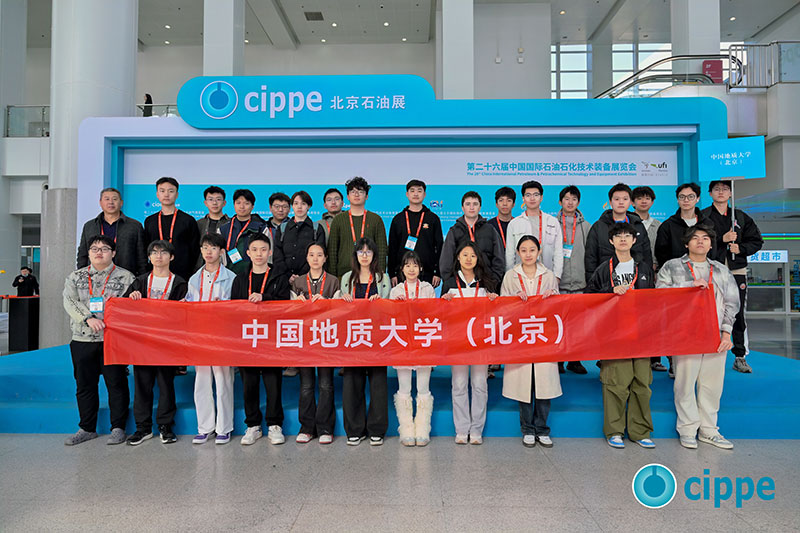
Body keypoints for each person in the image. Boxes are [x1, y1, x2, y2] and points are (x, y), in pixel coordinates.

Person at [656, 224, 739, 450]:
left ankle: (709, 431)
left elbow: (732, 303)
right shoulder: (672, 266)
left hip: (715, 336)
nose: (700, 241)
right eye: (695, 238)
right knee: (684, 383)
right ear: (686, 243)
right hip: (685, 335)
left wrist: (726, 333)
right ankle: (687, 429)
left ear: (711, 244)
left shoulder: (721, 270)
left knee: (712, 385)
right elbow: (660, 294)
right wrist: (688, 286)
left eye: (705, 238)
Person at [586, 223, 655, 450]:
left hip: (641, 335)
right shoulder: (603, 269)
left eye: (627, 236)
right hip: (614, 335)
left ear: (634, 241)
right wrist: (610, 291)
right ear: (611, 241)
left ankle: (640, 431)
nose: (623, 239)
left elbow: (655, 300)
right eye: (618, 236)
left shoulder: (644, 268)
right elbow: (589, 298)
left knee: (642, 383)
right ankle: (614, 431)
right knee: (615, 383)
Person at [62, 235, 135, 446]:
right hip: (82, 338)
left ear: (113, 253)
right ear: (88, 253)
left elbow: (130, 308)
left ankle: (118, 428)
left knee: (116, 383)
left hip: (113, 339)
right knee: (84, 385)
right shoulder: (75, 277)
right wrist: (88, 318)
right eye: (94, 249)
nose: (99, 252)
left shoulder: (126, 277)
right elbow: (69, 301)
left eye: (104, 248)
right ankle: (87, 428)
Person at [123, 240, 188, 446]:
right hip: (143, 342)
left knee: (166, 384)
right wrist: (131, 298)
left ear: (172, 257)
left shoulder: (180, 283)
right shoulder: (140, 282)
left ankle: (165, 426)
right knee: (142, 385)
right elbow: (124, 308)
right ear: (149, 257)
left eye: (163, 252)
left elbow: (186, 315)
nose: (159, 256)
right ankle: (142, 428)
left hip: (167, 342)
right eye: (154, 253)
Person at [500, 235, 561, 448]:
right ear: (518, 253)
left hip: (543, 336)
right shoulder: (511, 276)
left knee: (544, 384)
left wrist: (553, 296)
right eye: (524, 250)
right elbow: (502, 307)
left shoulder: (549, 275)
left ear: (539, 252)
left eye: (532, 250)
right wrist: (514, 299)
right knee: (524, 385)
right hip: (521, 336)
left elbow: (559, 308)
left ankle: (542, 429)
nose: (528, 254)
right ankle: (527, 428)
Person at [231, 233, 291, 446]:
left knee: (273, 383)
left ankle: (275, 424)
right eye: (255, 250)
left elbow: (285, 306)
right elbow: (233, 309)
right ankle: (253, 425)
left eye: (263, 250)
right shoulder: (240, 279)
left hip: (271, 338)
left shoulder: (279, 277)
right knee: (249, 384)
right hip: (247, 339)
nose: (259, 254)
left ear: (270, 252)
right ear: (247, 253)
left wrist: (265, 299)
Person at [701, 180, 764, 374]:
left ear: (730, 193)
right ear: (710, 193)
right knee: (709, 311)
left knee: (737, 312)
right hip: (711, 269)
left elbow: (757, 241)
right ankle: (707, 353)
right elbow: (697, 241)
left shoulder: (741, 217)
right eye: (717, 189)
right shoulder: (703, 216)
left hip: (736, 270)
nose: (721, 192)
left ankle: (740, 355)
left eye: (725, 189)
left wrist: (740, 248)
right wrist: (722, 240)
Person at [441, 241, 499, 445]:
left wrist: (494, 300)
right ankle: (461, 429)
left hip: (480, 342)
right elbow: (442, 315)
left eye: (473, 256)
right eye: (465, 255)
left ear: (477, 259)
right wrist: (444, 302)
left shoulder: (486, 282)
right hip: (458, 341)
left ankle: (476, 430)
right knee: (458, 384)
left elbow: (494, 314)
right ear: (457, 257)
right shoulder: (449, 283)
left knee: (480, 384)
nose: (468, 259)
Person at [338, 237, 392, 446]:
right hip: (353, 336)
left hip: (377, 337)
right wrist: (342, 299)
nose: (364, 256)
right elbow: (338, 308)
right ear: (355, 255)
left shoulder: (383, 278)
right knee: (352, 382)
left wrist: (382, 302)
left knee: (378, 384)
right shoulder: (346, 278)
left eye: (369, 252)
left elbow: (390, 307)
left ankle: (377, 429)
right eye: (361, 252)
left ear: (375, 255)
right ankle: (355, 429)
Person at [186, 233, 236, 445]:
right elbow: (188, 306)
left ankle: (224, 427)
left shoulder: (231, 277)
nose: (209, 252)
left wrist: (223, 306)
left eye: (213, 248)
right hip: (200, 335)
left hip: (222, 336)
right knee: (202, 381)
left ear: (221, 252)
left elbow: (237, 309)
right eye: (205, 247)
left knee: (223, 380)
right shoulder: (194, 279)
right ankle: (205, 427)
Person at [653, 183, 707, 376]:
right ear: (677, 199)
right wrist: (673, 273)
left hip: (702, 279)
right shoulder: (668, 225)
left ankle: (698, 361)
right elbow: (661, 252)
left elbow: (714, 250)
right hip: (676, 281)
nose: (686, 200)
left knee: (700, 322)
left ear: (697, 199)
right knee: (674, 323)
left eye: (690, 196)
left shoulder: (707, 224)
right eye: (682, 197)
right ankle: (674, 361)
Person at [290, 243, 341, 444]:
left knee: (326, 384)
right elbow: (288, 311)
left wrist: (327, 303)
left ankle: (325, 428)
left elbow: (340, 311)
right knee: (306, 385)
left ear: (325, 258)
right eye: (311, 255)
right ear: (306, 258)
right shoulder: (298, 282)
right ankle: (307, 427)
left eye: (319, 255)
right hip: (304, 339)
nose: (315, 258)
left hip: (326, 338)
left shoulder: (334, 281)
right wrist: (297, 304)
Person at [389, 251, 436, 447]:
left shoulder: (427, 289)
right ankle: (406, 430)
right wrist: (397, 306)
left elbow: (434, 314)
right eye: (407, 265)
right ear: (402, 269)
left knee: (423, 389)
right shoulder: (396, 291)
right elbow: (390, 318)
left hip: (423, 343)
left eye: (415, 265)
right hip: (403, 344)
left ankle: (423, 430)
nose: (411, 269)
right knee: (404, 388)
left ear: (421, 268)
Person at [584, 183, 652, 283]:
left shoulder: (638, 225)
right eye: (616, 199)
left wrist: (648, 281)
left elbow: (647, 255)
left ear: (630, 202)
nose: (621, 202)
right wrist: (593, 284)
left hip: (635, 282)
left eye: (625, 199)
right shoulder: (598, 227)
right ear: (610, 202)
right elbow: (591, 258)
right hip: (607, 283)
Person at [555, 185, 591, 375]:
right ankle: (559, 360)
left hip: (579, 282)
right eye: (567, 199)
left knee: (578, 324)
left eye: (574, 199)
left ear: (578, 202)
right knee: (558, 323)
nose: (570, 202)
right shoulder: (552, 224)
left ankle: (575, 360)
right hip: (558, 283)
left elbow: (590, 254)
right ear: (560, 202)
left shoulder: (586, 226)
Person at [632, 186, 667, 373]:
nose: (643, 201)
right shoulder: (628, 222)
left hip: (653, 275)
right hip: (631, 276)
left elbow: (661, 250)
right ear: (633, 202)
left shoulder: (659, 226)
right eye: (639, 198)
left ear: (652, 202)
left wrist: (655, 266)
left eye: (647, 198)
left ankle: (655, 358)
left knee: (653, 318)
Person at [439, 191, 505, 285]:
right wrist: (451, 283)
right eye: (468, 204)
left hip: (487, 283)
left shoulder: (490, 230)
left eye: (475, 204)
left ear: (480, 207)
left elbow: (499, 258)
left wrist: (493, 281)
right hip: (460, 284)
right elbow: (446, 260)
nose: (471, 207)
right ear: (462, 208)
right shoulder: (454, 231)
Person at [77, 187, 147, 275]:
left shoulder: (134, 226)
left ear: (121, 203)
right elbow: (82, 255)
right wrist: (83, 276)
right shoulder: (89, 226)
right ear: (100, 202)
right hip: (95, 277)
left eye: (114, 199)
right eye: (107, 199)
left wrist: (141, 279)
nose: (111, 202)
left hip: (126, 277)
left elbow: (141, 257)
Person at [327, 177, 388, 278]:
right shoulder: (338, 219)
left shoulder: (376, 219)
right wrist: (333, 277)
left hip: (370, 275)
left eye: (360, 191)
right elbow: (332, 251)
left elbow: (382, 250)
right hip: (343, 275)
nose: (356, 195)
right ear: (348, 196)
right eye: (353, 192)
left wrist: (380, 274)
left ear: (366, 196)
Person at [388, 179, 443, 288]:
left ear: (424, 194)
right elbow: (392, 248)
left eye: (419, 191)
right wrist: (392, 273)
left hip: (427, 273)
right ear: (407, 194)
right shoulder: (398, 219)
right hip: (402, 273)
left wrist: (438, 272)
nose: (416, 194)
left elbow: (440, 246)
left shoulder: (433, 218)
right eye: (412, 191)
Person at [143, 177, 200, 282]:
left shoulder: (188, 220)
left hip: (182, 275)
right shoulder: (150, 221)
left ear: (177, 194)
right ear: (157, 194)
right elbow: (146, 248)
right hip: (155, 273)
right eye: (162, 191)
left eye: (171, 191)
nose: (166, 194)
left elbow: (194, 250)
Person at [505, 181, 563, 280]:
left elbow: (558, 252)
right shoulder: (514, 223)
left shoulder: (552, 222)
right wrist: (511, 277)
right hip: (521, 278)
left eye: (536, 195)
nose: (532, 198)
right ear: (523, 198)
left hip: (547, 276)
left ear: (541, 197)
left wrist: (556, 277)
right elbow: (510, 255)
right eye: (528, 195)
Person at [274, 190, 326, 284]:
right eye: (296, 203)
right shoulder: (282, 228)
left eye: (303, 203)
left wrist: (302, 276)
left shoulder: (316, 228)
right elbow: (277, 255)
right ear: (292, 206)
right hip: (284, 279)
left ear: (309, 206)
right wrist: (288, 275)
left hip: (309, 279)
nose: (299, 207)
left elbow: (319, 254)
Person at [217, 189, 269, 276]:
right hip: (228, 275)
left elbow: (268, 255)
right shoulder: (223, 229)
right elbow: (218, 255)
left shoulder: (261, 228)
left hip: (255, 274)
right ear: (234, 205)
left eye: (246, 203)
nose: (242, 206)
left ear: (252, 206)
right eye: (238, 203)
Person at [488, 186, 516, 252]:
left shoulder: (518, 224)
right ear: (496, 204)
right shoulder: (489, 225)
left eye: (509, 200)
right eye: (501, 200)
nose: (505, 204)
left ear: (513, 204)